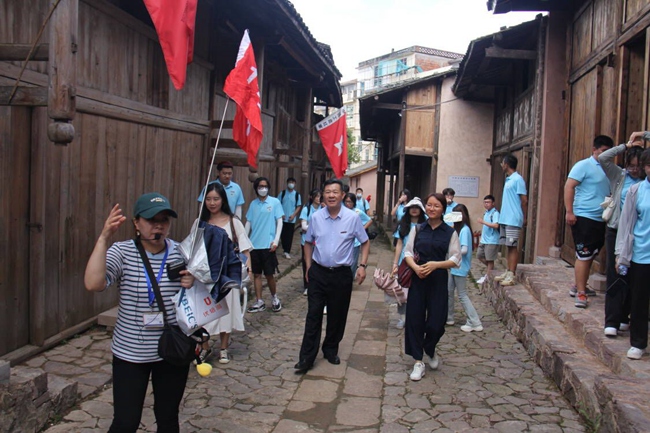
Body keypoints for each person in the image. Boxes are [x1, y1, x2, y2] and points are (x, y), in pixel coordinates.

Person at [84, 193, 195, 432]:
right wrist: (104, 238)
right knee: (126, 421)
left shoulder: (181, 252)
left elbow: (205, 296)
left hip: (171, 351)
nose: (159, 225)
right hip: (130, 352)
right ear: (136, 223)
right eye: (151, 219)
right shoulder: (122, 252)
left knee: (168, 418)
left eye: (164, 219)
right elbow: (93, 284)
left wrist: (194, 282)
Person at [294, 179, 370, 373]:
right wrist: (309, 267)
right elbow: (308, 242)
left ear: (343, 195)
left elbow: (365, 241)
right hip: (318, 272)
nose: (331, 195)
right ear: (322, 195)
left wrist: (362, 265)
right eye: (327, 192)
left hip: (341, 274)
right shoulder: (317, 217)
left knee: (337, 315)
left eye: (335, 192)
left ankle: (330, 349)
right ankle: (306, 357)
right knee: (314, 314)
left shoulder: (352, 218)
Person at [403, 193, 461, 381]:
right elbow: (408, 252)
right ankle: (418, 361)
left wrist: (436, 265)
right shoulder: (418, 229)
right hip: (418, 278)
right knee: (415, 319)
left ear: (443, 208)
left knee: (437, 321)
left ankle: (430, 347)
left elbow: (455, 258)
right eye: (429, 205)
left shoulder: (450, 232)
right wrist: (415, 268)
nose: (432, 208)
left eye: (436, 206)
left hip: (438, 278)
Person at [199, 183, 252, 364]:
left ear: (223, 200)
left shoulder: (233, 222)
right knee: (204, 313)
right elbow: (193, 250)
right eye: (208, 199)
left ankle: (223, 347)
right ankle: (204, 347)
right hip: (205, 276)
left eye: (216, 199)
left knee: (226, 311)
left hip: (228, 275)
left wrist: (247, 271)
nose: (212, 203)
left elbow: (245, 250)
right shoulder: (200, 223)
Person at [599, 133, 644, 336]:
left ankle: (625, 316)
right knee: (615, 274)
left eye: (639, 165)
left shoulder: (645, 183)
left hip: (638, 234)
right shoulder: (619, 176)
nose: (635, 169)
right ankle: (612, 320)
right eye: (632, 165)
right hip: (616, 230)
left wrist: (645, 136)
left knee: (633, 275)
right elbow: (603, 158)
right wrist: (625, 145)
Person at [564, 135, 613, 308]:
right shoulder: (583, 166)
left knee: (591, 253)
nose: (607, 155)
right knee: (583, 254)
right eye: (604, 151)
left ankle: (578, 284)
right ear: (595, 150)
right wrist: (569, 211)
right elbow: (569, 186)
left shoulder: (610, 168)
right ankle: (581, 293)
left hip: (601, 217)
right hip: (584, 216)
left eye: (610, 152)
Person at [615, 147, 650, 360]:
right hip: (642, 254)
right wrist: (621, 254)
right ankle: (638, 342)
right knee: (639, 300)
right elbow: (626, 224)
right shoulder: (636, 191)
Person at [246, 177, 284, 313]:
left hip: (268, 245)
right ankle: (259, 301)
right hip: (254, 245)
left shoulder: (275, 202)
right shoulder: (253, 204)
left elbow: (279, 221)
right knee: (257, 274)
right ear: (256, 188)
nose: (263, 189)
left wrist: (276, 240)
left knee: (269, 274)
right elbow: (248, 222)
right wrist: (245, 240)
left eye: (265, 186)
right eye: (260, 186)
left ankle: (274, 298)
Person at [446, 204, 483, 332]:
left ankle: (474, 321)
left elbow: (465, 249)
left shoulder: (465, 230)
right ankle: (449, 317)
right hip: (455, 267)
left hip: (460, 267)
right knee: (449, 291)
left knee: (462, 295)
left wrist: (451, 253)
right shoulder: (458, 229)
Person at [391, 197, 426, 329]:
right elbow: (399, 245)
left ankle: (416, 317)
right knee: (402, 292)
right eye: (412, 207)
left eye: (417, 207)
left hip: (420, 263)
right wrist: (395, 264)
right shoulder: (403, 225)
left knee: (418, 291)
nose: (414, 210)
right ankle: (402, 318)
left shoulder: (425, 225)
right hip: (404, 263)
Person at [494, 153, 528, 287]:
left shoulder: (518, 179)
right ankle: (508, 270)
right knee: (508, 246)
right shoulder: (509, 179)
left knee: (513, 246)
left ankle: (512, 274)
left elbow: (524, 200)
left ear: (506, 164)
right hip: (506, 218)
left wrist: (524, 217)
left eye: (502, 163)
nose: (502, 165)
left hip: (513, 218)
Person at [343, 192, 373, 278]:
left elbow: (369, 220)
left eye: (350, 202)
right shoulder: (340, 211)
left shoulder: (357, 212)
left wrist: (362, 229)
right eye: (346, 201)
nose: (348, 204)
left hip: (355, 241)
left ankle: (351, 277)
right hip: (343, 240)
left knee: (352, 261)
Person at [299, 189, 321, 296]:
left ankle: (316, 284)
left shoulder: (323, 209)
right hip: (306, 241)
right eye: (316, 196)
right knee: (306, 263)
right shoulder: (306, 209)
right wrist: (316, 228)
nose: (318, 198)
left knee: (317, 263)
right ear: (312, 197)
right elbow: (303, 226)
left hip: (320, 241)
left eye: (319, 196)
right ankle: (307, 285)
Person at [476, 195, 500, 285]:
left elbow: (496, 225)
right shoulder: (486, 212)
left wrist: (483, 222)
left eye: (488, 202)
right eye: (485, 202)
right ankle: (491, 270)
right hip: (484, 240)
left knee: (490, 259)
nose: (486, 204)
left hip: (492, 240)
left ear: (493, 203)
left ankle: (488, 276)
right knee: (479, 255)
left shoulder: (495, 213)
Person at [279, 177, 302, 259]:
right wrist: (281, 214)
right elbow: (278, 204)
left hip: (291, 219)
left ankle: (287, 251)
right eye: (289, 182)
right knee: (282, 235)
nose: (291, 184)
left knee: (289, 236)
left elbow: (299, 206)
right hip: (283, 218)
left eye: (292, 182)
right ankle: (284, 249)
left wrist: (294, 215)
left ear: (295, 184)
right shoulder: (283, 193)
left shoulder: (296, 195)